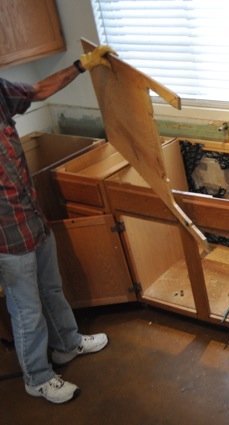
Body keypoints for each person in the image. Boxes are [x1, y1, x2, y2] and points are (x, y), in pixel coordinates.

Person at [0, 45, 116, 404]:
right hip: (6, 236)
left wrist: (82, 65)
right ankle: (37, 378)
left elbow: (37, 90)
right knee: (27, 310)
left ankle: (67, 343)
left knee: (51, 288)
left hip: (31, 216)